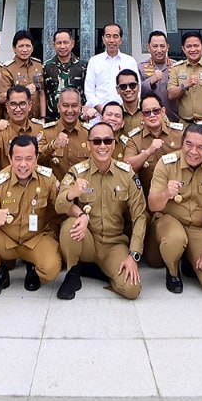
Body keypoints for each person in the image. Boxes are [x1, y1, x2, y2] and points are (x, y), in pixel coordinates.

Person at [55, 121, 148, 301]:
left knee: (132, 290)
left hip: (114, 245)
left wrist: (133, 255)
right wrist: (72, 193)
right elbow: (59, 206)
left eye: (107, 141)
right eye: (97, 142)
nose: (102, 146)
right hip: (87, 240)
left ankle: (99, 270)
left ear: (114, 144)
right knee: (70, 225)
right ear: (89, 145)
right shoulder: (77, 172)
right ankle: (73, 272)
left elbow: (140, 216)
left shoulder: (127, 174)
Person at [0, 134, 62, 296]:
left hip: (36, 238)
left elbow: (61, 207)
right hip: (7, 239)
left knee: (51, 268)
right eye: (18, 158)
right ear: (10, 158)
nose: (23, 164)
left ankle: (32, 268)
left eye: (29, 158)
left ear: (36, 158)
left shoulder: (47, 179)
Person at [148, 123, 202, 294]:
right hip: (169, 220)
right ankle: (172, 271)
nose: (193, 151)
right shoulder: (167, 164)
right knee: (174, 240)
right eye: (189, 145)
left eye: (200, 147)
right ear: (182, 144)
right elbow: (153, 205)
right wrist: (165, 194)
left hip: (197, 226)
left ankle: (189, 259)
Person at [124, 93, 185, 193]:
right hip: (151, 196)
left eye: (156, 111)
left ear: (163, 112)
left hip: (180, 193)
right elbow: (127, 166)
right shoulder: (134, 139)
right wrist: (148, 152)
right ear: (141, 116)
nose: (152, 115)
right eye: (147, 112)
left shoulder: (179, 133)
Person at [0, 84, 40, 173]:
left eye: (22, 104)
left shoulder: (39, 129)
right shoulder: (1, 132)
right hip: (8, 185)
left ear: (30, 106)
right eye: (13, 104)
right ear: (7, 107)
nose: (18, 109)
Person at [38, 88, 92, 178]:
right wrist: (52, 146)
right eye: (65, 105)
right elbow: (35, 159)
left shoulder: (90, 133)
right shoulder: (46, 132)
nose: (70, 110)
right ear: (58, 107)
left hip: (83, 189)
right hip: (55, 189)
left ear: (80, 108)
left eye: (74, 106)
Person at [168, 30, 202, 122]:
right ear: (183, 49)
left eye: (196, 46)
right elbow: (171, 95)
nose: (192, 50)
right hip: (185, 123)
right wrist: (184, 85)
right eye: (189, 46)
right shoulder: (176, 68)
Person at [84, 22, 135, 115]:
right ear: (103, 39)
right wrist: (102, 111)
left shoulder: (129, 61)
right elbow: (89, 91)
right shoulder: (94, 61)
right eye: (108, 36)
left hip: (123, 114)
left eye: (115, 36)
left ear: (121, 40)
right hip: (97, 115)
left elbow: (136, 89)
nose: (112, 40)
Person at [41, 28, 86, 118]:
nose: (62, 46)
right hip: (52, 118)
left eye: (66, 42)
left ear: (72, 44)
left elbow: (87, 93)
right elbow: (42, 93)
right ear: (53, 45)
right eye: (59, 43)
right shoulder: (46, 67)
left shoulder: (83, 67)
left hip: (77, 118)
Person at [1, 31, 45, 119]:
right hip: (15, 121)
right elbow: (1, 98)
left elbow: (42, 93)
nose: (24, 50)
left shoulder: (38, 65)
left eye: (28, 46)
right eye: (21, 46)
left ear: (32, 48)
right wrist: (24, 91)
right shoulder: (7, 69)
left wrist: (43, 118)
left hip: (36, 121)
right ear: (14, 48)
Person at [139, 30, 174, 112]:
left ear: (167, 47)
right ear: (148, 47)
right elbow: (136, 92)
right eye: (155, 46)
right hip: (150, 116)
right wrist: (150, 81)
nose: (159, 50)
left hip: (174, 117)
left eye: (162, 46)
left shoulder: (176, 66)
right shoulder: (140, 68)